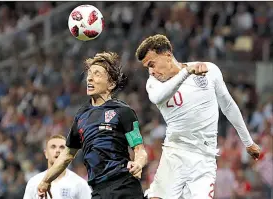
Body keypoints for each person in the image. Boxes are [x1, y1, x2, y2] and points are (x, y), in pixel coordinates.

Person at [135, 34, 261, 199]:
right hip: (175, 153)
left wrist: (248, 142)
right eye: (147, 68)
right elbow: (158, 97)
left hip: (205, 158)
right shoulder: (154, 83)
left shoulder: (210, 71)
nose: (151, 71)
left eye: (152, 64)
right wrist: (186, 72)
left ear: (167, 55)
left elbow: (228, 106)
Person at [37, 52, 148, 199]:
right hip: (98, 191)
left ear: (111, 84)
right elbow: (67, 155)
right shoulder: (81, 115)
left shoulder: (123, 111)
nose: (89, 78)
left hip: (124, 186)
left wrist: (139, 163)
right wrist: (46, 180)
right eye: (89, 74)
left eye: (97, 74)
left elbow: (139, 150)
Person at [23, 134, 92, 199]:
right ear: (46, 153)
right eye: (53, 147)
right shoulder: (34, 182)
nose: (57, 150)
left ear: (67, 154)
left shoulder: (80, 184)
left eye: (62, 147)